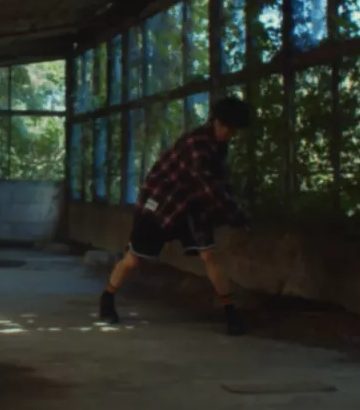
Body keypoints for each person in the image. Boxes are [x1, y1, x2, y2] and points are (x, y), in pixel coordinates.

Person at [99, 96, 252, 336]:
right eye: (229, 129)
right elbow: (207, 185)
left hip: (192, 205)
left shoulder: (220, 145)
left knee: (209, 254)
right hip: (162, 203)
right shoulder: (195, 143)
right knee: (134, 258)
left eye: (234, 131)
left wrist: (237, 209)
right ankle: (107, 297)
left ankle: (230, 313)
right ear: (216, 122)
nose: (230, 135)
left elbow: (221, 182)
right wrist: (235, 214)